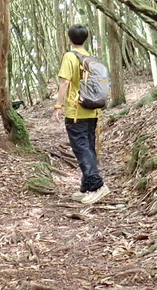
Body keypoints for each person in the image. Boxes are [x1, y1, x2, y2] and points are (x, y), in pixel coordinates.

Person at [54, 24, 110, 205]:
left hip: (76, 111)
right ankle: (87, 187)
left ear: (69, 39)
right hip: (92, 110)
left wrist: (58, 105)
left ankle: (97, 186)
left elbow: (64, 83)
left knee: (81, 148)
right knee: (88, 147)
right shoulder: (89, 57)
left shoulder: (70, 56)